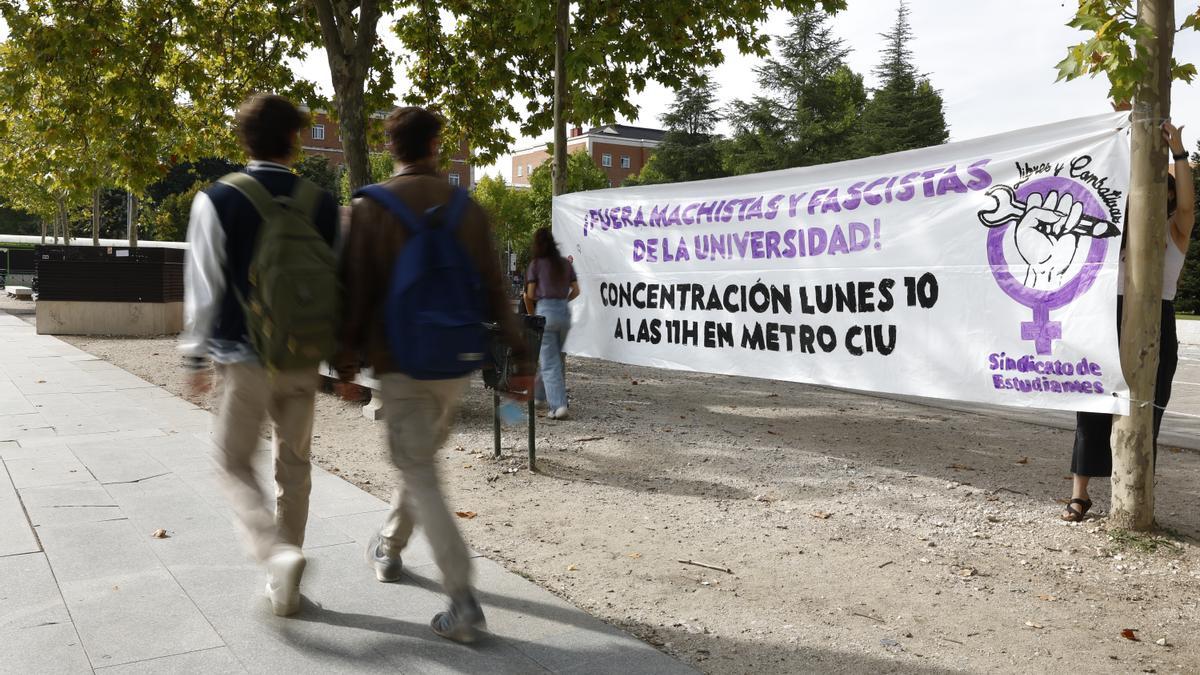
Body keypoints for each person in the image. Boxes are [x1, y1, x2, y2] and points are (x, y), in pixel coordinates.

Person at [336, 106, 526, 642]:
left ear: (389, 146)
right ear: (436, 144)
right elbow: (496, 289)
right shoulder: (468, 210)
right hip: (455, 363)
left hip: (401, 364)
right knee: (417, 462)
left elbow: (354, 293)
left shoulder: (369, 208)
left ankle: (462, 599)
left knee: (421, 473)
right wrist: (521, 354)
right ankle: (390, 546)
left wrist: (345, 359)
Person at [179, 94, 340, 615]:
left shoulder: (218, 198)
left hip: (243, 356)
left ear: (243, 140)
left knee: (231, 461)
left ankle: (277, 555)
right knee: (295, 466)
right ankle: (285, 579)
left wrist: (194, 355)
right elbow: (338, 283)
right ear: (295, 141)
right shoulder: (321, 200)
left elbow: (202, 285)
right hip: (301, 358)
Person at [1063, 121, 1193, 521]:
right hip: (1107, 316)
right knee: (1093, 405)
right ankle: (1080, 495)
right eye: (1154, 188)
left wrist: (1179, 153)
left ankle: (1135, 492)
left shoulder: (1176, 230)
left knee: (1149, 407)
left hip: (1158, 319)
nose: (1163, 194)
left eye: (1168, 189)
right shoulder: (1112, 233)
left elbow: (1189, 205)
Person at [524, 228, 580, 420]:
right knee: (552, 359)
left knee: (550, 363)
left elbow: (530, 294)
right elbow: (576, 290)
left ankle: (558, 406)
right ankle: (538, 396)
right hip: (564, 313)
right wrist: (563, 300)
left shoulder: (535, 265)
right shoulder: (565, 264)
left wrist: (543, 300)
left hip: (545, 313)